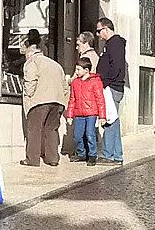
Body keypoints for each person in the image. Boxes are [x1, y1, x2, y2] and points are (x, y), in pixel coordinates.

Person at [19, 30, 68, 167]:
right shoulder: (55, 64)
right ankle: (53, 158)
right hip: (58, 101)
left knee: (34, 129)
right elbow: (65, 86)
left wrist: (29, 96)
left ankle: (32, 159)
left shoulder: (32, 62)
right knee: (51, 129)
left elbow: (30, 81)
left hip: (40, 101)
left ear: (29, 51)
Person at [93, 17, 128, 163]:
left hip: (111, 87)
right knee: (113, 120)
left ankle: (109, 154)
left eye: (99, 30)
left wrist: (106, 82)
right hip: (110, 86)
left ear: (106, 29)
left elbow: (117, 66)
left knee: (109, 120)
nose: (97, 34)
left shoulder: (115, 44)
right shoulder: (111, 44)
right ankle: (116, 154)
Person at [67, 54, 106, 164]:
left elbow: (100, 99)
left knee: (90, 134)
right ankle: (81, 153)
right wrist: (70, 115)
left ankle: (92, 155)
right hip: (79, 113)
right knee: (77, 136)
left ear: (86, 70)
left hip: (91, 113)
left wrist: (102, 116)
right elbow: (72, 99)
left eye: (78, 69)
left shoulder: (95, 81)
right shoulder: (75, 83)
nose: (76, 72)